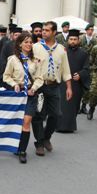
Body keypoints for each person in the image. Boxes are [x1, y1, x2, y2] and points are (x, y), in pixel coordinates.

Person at [31, 21, 72, 155]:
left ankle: (47, 137)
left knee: (56, 115)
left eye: (47, 30)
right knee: (38, 115)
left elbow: (66, 70)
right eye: (43, 30)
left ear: (54, 32)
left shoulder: (61, 49)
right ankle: (39, 142)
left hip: (54, 86)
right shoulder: (35, 47)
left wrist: (69, 87)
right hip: (39, 86)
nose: (43, 32)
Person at [3, 32, 44, 164]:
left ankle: (22, 151)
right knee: (17, 122)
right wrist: (14, 84)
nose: (29, 44)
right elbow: (6, 76)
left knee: (27, 121)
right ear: (20, 44)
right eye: (26, 42)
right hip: (17, 94)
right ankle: (16, 145)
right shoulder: (12, 59)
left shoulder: (35, 60)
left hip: (30, 94)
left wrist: (34, 88)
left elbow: (39, 78)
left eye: (31, 42)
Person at [57, 30, 89, 132]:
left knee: (73, 106)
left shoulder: (83, 54)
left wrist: (80, 75)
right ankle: (58, 126)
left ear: (78, 40)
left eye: (75, 39)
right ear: (68, 40)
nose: (73, 41)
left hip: (76, 84)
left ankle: (70, 127)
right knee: (61, 105)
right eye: (71, 39)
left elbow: (87, 68)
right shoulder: (62, 52)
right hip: (62, 83)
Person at [79, 23, 97, 114]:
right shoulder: (81, 39)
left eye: (92, 30)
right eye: (89, 29)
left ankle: (84, 106)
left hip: (90, 66)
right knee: (79, 86)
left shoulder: (95, 41)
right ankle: (77, 105)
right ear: (86, 30)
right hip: (81, 65)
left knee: (88, 87)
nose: (91, 31)